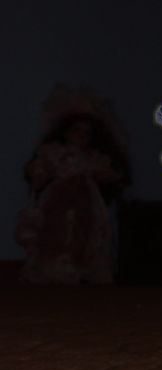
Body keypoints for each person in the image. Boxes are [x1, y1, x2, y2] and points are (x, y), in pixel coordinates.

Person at [16, 110, 129, 284]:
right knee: (55, 230)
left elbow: (107, 173)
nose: (80, 135)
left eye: (86, 133)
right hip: (58, 198)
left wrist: (110, 176)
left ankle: (80, 268)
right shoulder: (55, 153)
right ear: (65, 132)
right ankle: (52, 268)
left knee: (85, 232)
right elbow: (40, 168)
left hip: (86, 199)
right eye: (76, 130)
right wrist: (39, 174)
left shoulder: (92, 157)